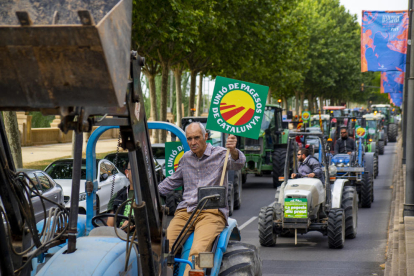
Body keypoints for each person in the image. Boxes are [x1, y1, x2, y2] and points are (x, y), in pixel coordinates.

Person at [158, 122, 245, 275]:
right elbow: (171, 182)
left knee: (197, 253)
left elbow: (239, 163)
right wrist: (148, 191)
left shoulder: (221, 154)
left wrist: (234, 150)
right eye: (189, 138)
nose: (193, 142)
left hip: (211, 213)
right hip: (185, 211)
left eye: (196, 138)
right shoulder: (186, 159)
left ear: (205, 136)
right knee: (163, 248)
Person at [107, 162, 134, 229]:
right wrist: (122, 229)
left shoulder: (151, 197)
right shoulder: (117, 196)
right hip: (120, 236)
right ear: (127, 172)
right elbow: (110, 225)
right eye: (134, 170)